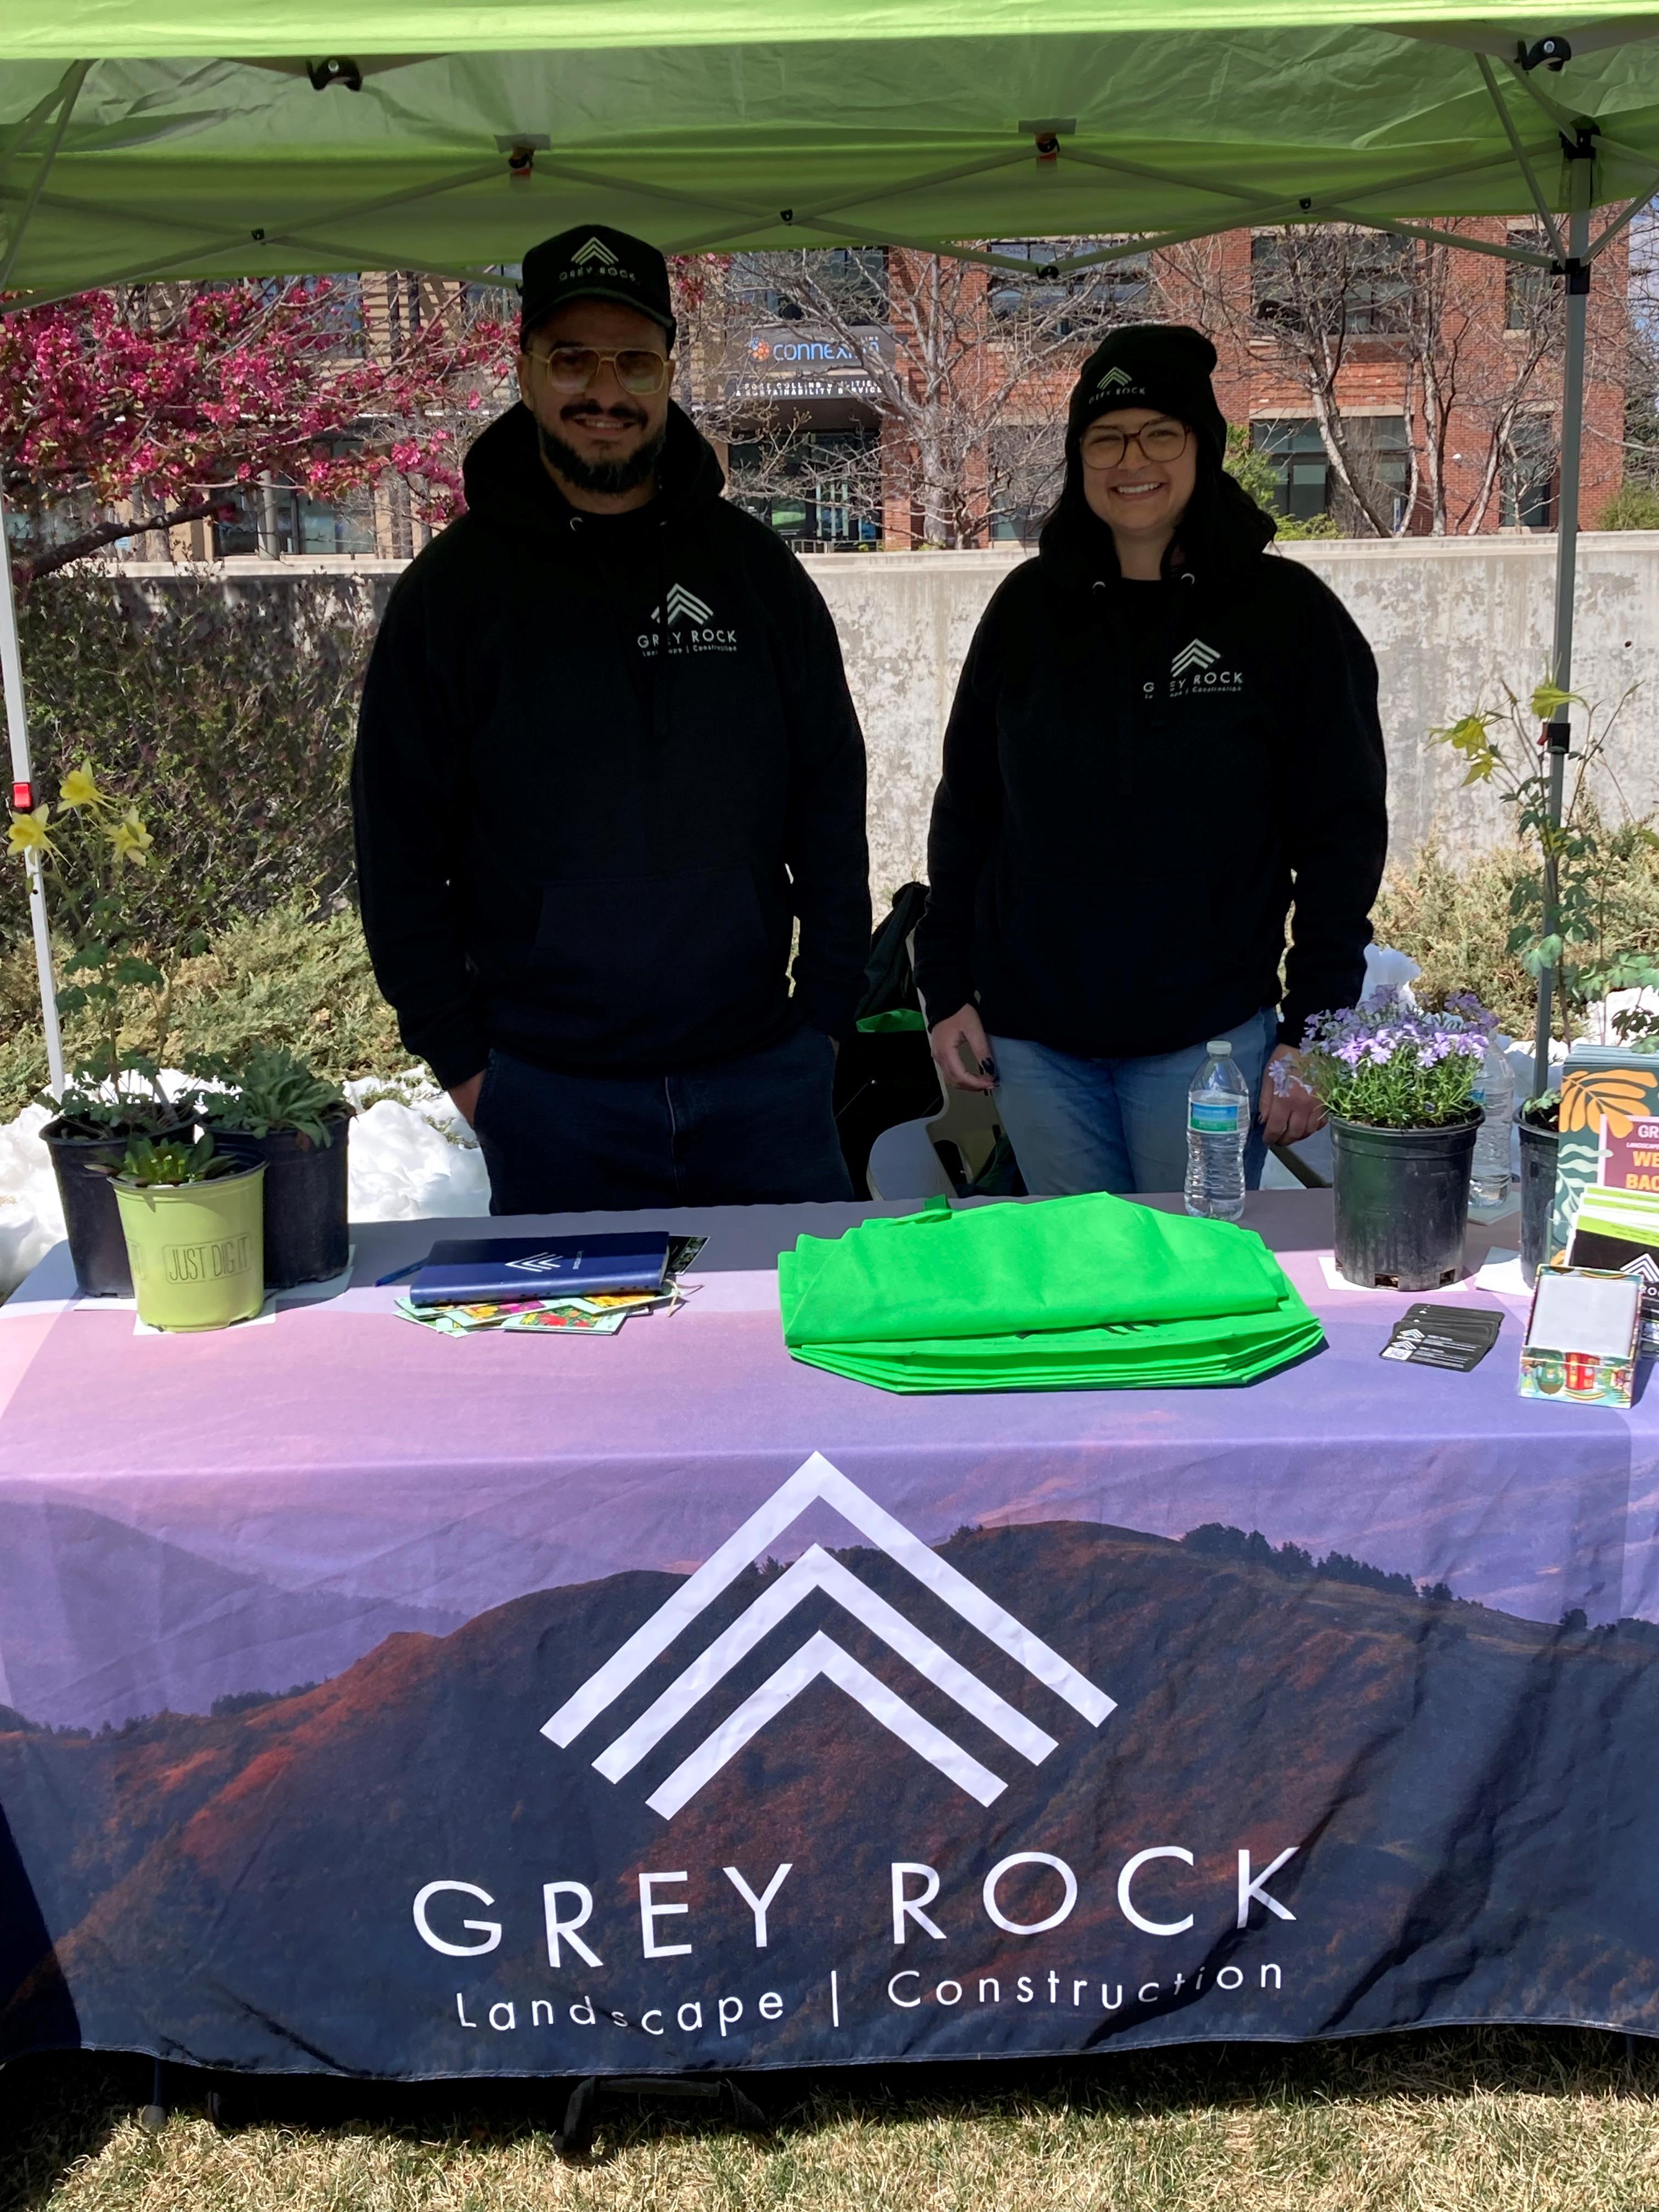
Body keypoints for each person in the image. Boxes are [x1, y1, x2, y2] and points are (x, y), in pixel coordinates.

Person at [352, 224, 870, 1213]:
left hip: (766, 1084)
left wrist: (828, 1018)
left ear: (669, 372)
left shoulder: (755, 574)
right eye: (573, 359)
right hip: (552, 1101)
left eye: (634, 360)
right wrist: (465, 1063)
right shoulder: (451, 597)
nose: (605, 390)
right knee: (575, 1375)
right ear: (526, 372)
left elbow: (830, 802)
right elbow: (398, 848)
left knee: (795, 1361)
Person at [913, 322, 1387, 1197]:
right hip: (1034, 1045)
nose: (1132, 459)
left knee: (1195, 1284)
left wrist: (1314, 1027)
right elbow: (968, 812)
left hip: (1205, 1047)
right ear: (1077, 458)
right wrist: (945, 990)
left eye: (1159, 433)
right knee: (1082, 1285)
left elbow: (1341, 837)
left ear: (1203, 448)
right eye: (1105, 438)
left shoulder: (1287, 616)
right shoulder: (1025, 612)